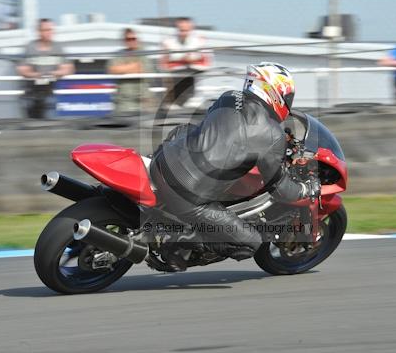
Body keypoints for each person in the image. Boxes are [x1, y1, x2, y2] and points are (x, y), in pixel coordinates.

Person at [150, 62, 320, 271]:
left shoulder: (228, 97)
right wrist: (306, 189)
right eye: (287, 96)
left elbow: (227, 133)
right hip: (188, 196)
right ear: (275, 93)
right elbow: (281, 190)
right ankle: (177, 246)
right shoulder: (272, 135)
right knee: (251, 243)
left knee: (188, 129)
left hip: (161, 163)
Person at [16, 18, 74, 118]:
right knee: (30, 127)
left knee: (50, 124)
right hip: (31, 94)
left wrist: (52, 74)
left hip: (49, 93)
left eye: (51, 30)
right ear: (39, 31)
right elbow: (22, 69)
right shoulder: (30, 47)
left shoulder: (58, 47)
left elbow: (68, 68)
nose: (49, 33)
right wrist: (38, 75)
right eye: (46, 30)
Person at [159, 17, 212, 108]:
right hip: (175, 85)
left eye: (186, 30)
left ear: (192, 29)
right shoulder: (168, 42)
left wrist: (180, 61)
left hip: (194, 87)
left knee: (188, 72)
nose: (183, 33)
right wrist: (186, 60)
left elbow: (206, 64)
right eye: (181, 30)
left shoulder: (200, 42)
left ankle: (188, 98)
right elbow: (163, 65)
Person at [107, 28, 154, 114]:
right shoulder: (118, 54)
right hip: (122, 102)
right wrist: (133, 66)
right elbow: (112, 69)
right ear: (124, 40)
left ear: (137, 39)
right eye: (128, 39)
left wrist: (123, 68)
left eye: (133, 39)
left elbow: (142, 69)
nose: (131, 41)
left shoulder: (144, 54)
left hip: (142, 101)